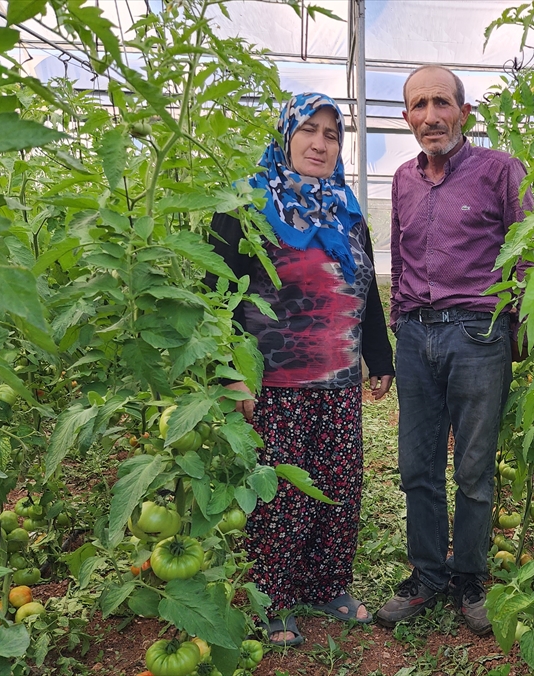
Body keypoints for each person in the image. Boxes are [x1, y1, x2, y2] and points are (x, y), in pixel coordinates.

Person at [206, 93, 394, 647]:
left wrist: (378, 357)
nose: (320, 143)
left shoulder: (346, 208)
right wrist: (229, 372)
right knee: (280, 496)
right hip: (274, 383)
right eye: (308, 130)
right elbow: (215, 297)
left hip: (336, 381)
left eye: (331, 135)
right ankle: (275, 598)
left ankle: (327, 585)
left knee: (338, 486)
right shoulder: (245, 204)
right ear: (286, 136)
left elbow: (366, 291)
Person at [375, 66, 533, 636]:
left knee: (472, 467)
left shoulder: (500, 170)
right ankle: (426, 575)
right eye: (419, 105)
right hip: (417, 335)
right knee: (417, 465)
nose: (430, 115)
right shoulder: (402, 178)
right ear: (407, 117)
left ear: (464, 113)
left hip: (477, 332)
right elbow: (399, 251)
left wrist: (518, 329)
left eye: (442, 102)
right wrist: (397, 322)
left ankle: (469, 576)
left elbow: (528, 249)